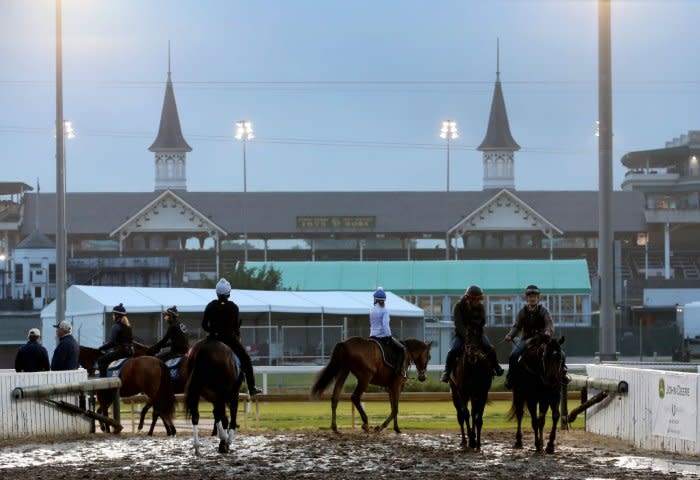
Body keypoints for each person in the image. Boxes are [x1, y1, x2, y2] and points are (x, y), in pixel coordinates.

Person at [202, 278, 262, 396]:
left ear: (217, 292)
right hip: (230, 340)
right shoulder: (234, 307)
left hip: (213, 339)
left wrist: (213, 332)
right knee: (246, 360)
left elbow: (204, 325)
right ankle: (251, 387)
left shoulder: (210, 305)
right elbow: (235, 327)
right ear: (229, 293)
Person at [504, 284, 567, 389]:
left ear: (538, 298)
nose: (532, 298)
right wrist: (510, 335)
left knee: (561, 354)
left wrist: (548, 332)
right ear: (527, 298)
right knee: (513, 356)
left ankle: (563, 375)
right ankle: (511, 378)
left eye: (534, 296)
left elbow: (549, 324)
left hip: (542, 339)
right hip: (526, 339)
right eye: (530, 296)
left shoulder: (544, 311)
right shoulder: (522, 312)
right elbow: (517, 326)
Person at [441, 285, 504, 382]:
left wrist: (475, 331)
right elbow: (458, 324)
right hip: (461, 335)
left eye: (478, 300)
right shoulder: (458, 306)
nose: (477, 302)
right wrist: (466, 334)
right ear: (468, 298)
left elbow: (482, 322)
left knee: (488, 347)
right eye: (474, 299)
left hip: (477, 335)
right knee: (453, 350)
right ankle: (446, 372)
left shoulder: (480, 307)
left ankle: (496, 367)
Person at [369, 287, 406, 378]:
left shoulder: (371, 309)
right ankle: (399, 371)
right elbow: (385, 325)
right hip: (382, 337)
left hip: (372, 336)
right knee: (402, 349)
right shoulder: (385, 310)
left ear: (375, 299)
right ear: (384, 300)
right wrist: (389, 336)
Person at [97, 303, 134, 378]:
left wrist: (101, 348)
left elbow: (112, 342)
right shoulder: (128, 326)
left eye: (113, 314)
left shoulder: (116, 326)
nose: (112, 316)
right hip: (130, 352)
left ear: (116, 315)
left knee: (101, 361)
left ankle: (103, 382)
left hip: (121, 352)